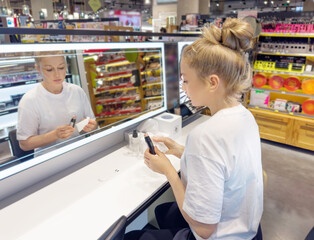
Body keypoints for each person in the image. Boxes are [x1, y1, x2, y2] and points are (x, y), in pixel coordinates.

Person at [125, 18, 263, 240]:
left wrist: (169, 171)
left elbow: (203, 229)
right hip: (248, 231)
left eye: (186, 80)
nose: (183, 87)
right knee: (162, 212)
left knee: (134, 236)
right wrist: (183, 151)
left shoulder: (205, 136)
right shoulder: (246, 118)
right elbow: (227, 164)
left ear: (212, 82)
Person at [17, 51, 97, 152]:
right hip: (50, 160)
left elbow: (94, 125)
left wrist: (91, 127)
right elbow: (24, 144)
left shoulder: (77, 91)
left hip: (80, 151)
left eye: (61, 67)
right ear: (38, 69)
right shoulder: (29, 100)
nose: (57, 74)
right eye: (49, 69)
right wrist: (54, 135)